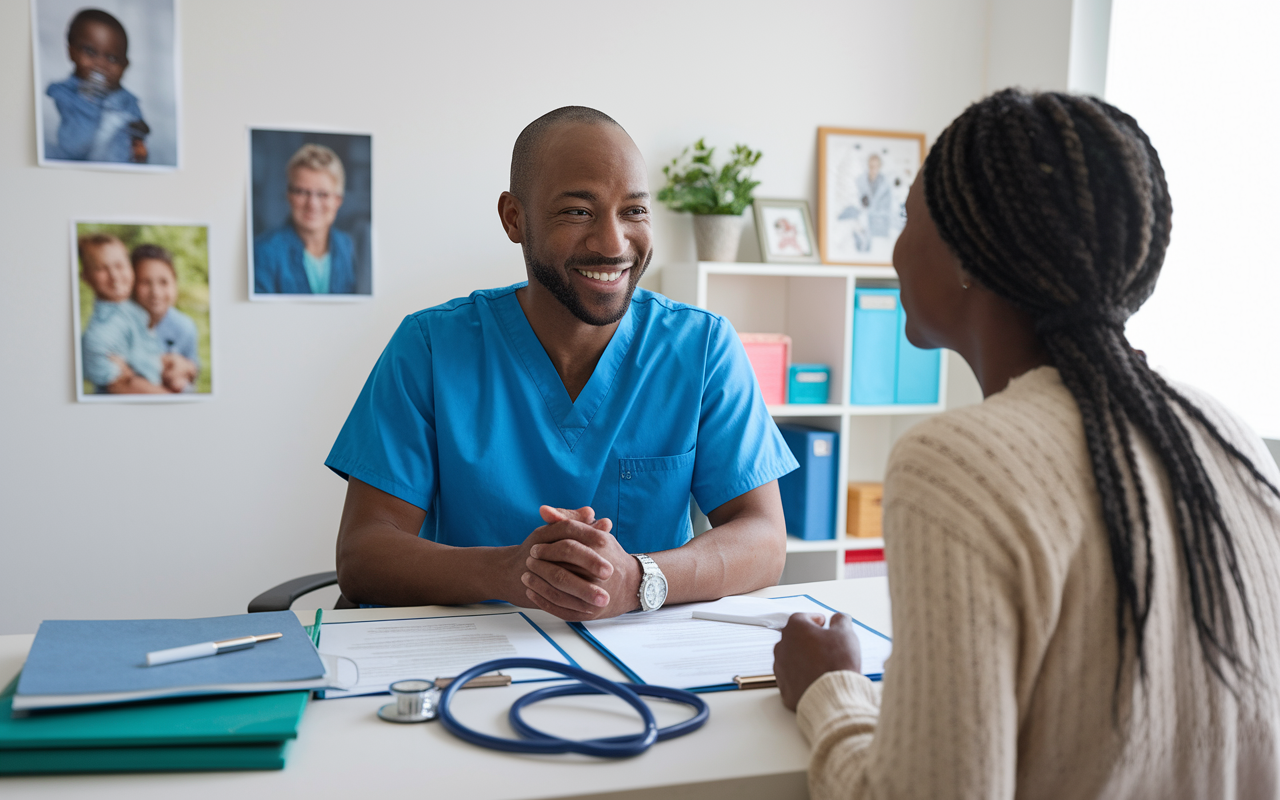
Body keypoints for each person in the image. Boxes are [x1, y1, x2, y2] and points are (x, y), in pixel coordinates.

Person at [773, 89, 1280, 799]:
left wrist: (831, 688)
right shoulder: (1228, 434)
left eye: (908, 218)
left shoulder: (954, 464)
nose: (892, 250)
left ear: (965, 258)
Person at [327, 106, 797, 620]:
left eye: (634, 211)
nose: (613, 244)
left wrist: (638, 579)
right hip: (474, 661)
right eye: (578, 212)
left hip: (646, 658)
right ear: (514, 218)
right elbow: (363, 553)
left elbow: (764, 538)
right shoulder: (431, 347)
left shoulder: (701, 347)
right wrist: (509, 572)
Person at [46, 8, 149, 164]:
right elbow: (72, 147)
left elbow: (138, 141)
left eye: (112, 58)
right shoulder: (63, 93)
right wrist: (89, 103)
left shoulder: (128, 101)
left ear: (125, 66)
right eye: (90, 52)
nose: (100, 64)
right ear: (71, 52)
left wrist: (139, 140)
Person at [253, 144, 358, 295]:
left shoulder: (348, 248)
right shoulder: (263, 252)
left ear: (338, 200)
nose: (312, 204)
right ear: (288, 195)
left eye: (322, 194)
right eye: (302, 192)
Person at [78, 233, 165, 394]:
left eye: (119, 265)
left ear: (130, 267)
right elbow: (124, 385)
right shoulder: (98, 336)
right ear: (86, 277)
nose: (114, 276)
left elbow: (146, 359)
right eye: (100, 269)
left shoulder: (134, 312)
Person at [131, 244, 199, 393]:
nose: (155, 292)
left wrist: (185, 367)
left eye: (164, 282)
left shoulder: (185, 326)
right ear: (132, 285)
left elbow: (194, 369)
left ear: (175, 284)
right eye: (145, 282)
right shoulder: (122, 324)